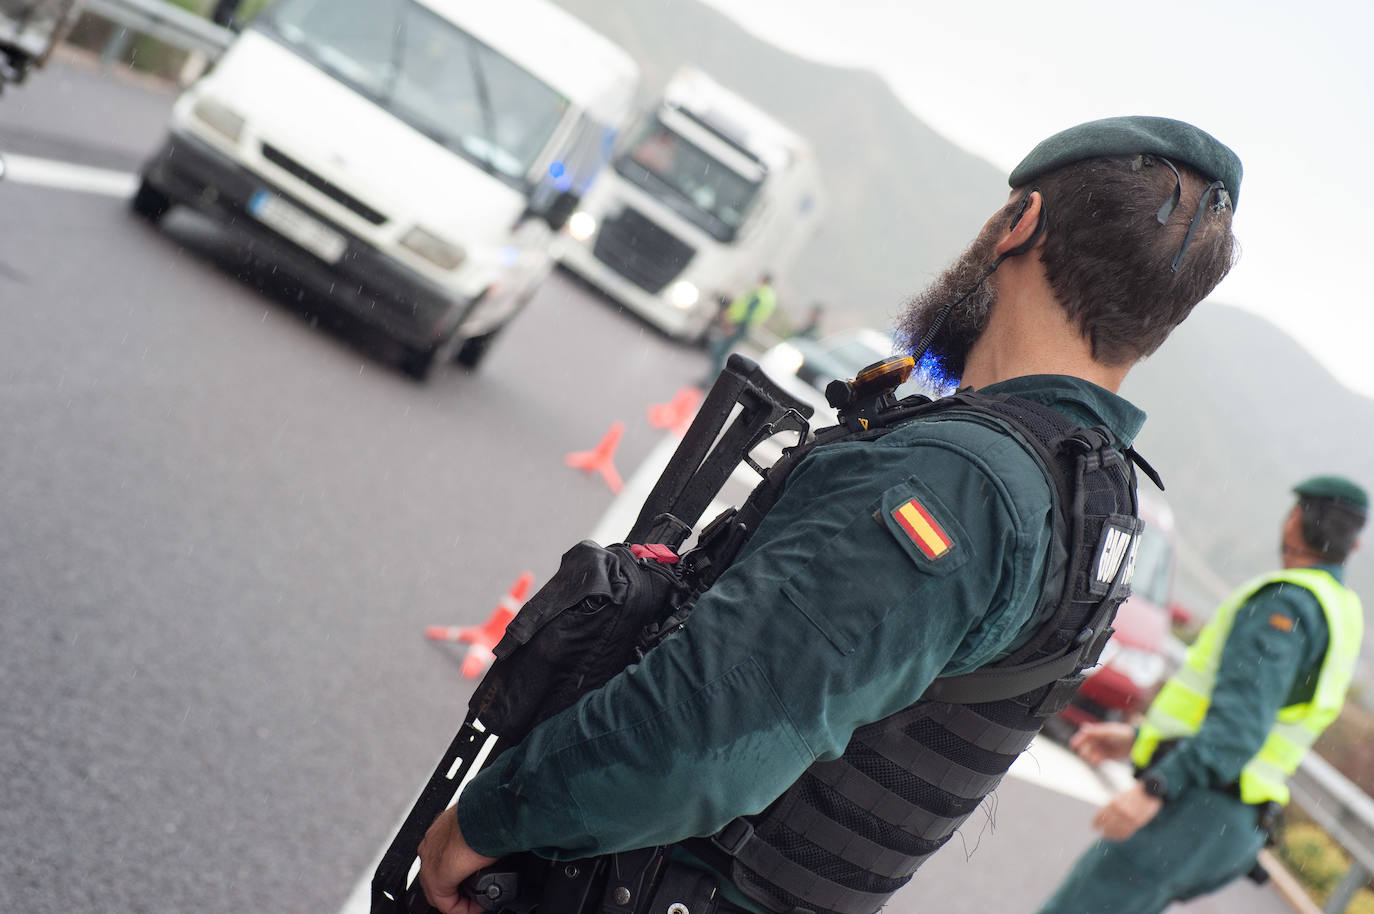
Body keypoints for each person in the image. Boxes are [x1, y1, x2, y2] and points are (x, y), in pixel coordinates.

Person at [416, 116, 1244, 914]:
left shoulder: (962, 480)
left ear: (1019, 223)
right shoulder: (1098, 505)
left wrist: (488, 820)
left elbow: (702, 727)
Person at [1037, 476, 1367, 914]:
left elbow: (1239, 728)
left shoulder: (1285, 604)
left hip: (1198, 803)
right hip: (1235, 817)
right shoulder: (1341, 610)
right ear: (1354, 545)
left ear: (1294, 521)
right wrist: (1140, 740)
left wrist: (1157, 786)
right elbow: (1269, 715)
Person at [702, 273, 777, 384]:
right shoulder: (769, 296)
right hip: (743, 326)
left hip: (739, 325)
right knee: (720, 350)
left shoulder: (760, 293)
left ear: (763, 279)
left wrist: (734, 325)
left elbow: (748, 312)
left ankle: (715, 379)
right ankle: (716, 378)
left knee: (719, 350)